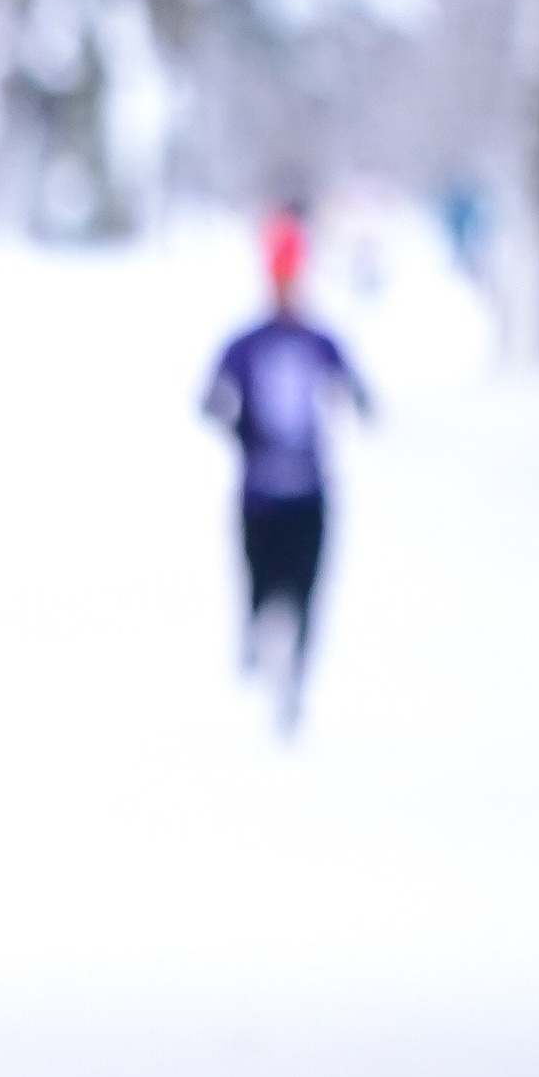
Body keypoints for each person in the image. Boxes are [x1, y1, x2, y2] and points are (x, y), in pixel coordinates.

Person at [200, 212, 371, 729]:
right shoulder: (246, 343)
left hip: (309, 492)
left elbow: (359, 392)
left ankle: (292, 680)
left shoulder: (319, 341)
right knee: (262, 585)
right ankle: (260, 642)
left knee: (304, 593)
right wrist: (244, 434)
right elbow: (208, 401)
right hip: (259, 496)